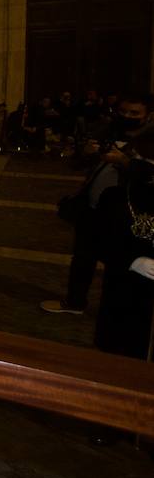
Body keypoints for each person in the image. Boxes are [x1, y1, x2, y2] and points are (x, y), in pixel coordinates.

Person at [43, 95, 153, 314]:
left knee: (120, 263)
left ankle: (117, 314)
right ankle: (75, 302)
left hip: (127, 215)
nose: (127, 117)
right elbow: (77, 164)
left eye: (134, 114)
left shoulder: (149, 141)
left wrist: (125, 162)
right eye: (123, 112)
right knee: (83, 256)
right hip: (93, 208)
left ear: (148, 116)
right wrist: (85, 154)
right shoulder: (108, 131)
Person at [89, 133, 154, 445]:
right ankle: (111, 420)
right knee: (120, 358)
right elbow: (98, 241)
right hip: (124, 291)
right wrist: (132, 260)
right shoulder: (116, 197)